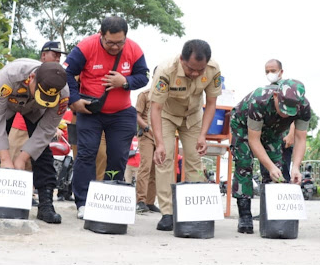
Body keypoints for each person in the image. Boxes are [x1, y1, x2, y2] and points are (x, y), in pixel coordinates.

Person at [65, 16, 149, 219]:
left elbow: (144, 76)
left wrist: (125, 81)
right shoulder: (85, 47)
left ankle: (111, 198)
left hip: (121, 113)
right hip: (90, 111)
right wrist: (74, 100)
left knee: (118, 156)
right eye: (110, 42)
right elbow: (66, 73)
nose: (115, 47)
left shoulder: (134, 49)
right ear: (101, 35)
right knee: (86, 154)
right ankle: (83, 203)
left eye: (120, 42)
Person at [0, 60, 69, 223]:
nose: (44, 98)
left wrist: (22, 158)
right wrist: (5, 159)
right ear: (31, 78)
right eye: (41, 93)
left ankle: (46, 205)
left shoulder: (63, 92)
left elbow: (46, 129)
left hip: (37, 110)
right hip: (7, 105)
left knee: (43, 153)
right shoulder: (8, 77)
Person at [150, 39, 222, 231]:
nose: (196, 73)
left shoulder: (214, 69)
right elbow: (155, 108)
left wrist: (203, 135)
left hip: (193, 116)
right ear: (182, 59)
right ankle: (167, 212)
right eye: (191, 69)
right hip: (166, 115)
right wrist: (159, 144)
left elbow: (212, 103)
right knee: (165, 159)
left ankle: (192, 209)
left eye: (201, 69)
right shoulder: (166, 71)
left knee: (194, 158)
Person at [230, 79, 311, 234]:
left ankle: (271, 214)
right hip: (243, 126)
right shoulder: (259, 100)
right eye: (283, 108)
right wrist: (269, 166)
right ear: (275, 95)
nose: (286, 114)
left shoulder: (304, 107)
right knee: (244, 163)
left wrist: (295, 166)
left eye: (290, 111)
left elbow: (301, 138)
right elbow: (254, 140)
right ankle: (245, 215)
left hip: (273, 131)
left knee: (277, 171)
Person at [7, 41, 68, 208]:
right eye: (54, 54)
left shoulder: (60, 84)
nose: (58, 58)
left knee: (39, 156)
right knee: (5, 156)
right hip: (16, 122)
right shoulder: (16, 74)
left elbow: (49, 122)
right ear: (43, 55)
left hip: (38, 123)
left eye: (59, 56)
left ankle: (44, 202)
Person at [262, 59, 294, 181]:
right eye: (267, 71)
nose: (270, 73)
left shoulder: (289, 89)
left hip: (284, 138)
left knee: (283, 173)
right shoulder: (264, 91)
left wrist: (291, 134)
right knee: (266, 174)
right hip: (267, 139)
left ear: (281, 72)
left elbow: (296, 114)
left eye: (273, 71)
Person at [134, 85, 159, 213]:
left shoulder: (167, 95)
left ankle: (150, 202)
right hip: (146, 135)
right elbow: (136, 115)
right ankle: (140, 201)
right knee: (145, 167)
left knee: (155, 170)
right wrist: (147, 128)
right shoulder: (144, 95)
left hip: (160, 137)